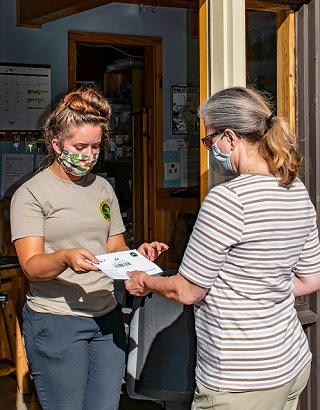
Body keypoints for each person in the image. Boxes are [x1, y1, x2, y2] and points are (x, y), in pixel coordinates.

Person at [125, 87, 320, 410]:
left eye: (208, 140)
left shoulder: (228, 199)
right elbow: (311, 280)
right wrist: (257, 287)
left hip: (239, 377)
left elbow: (188, 291)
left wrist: (144, 282)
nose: (209, 149)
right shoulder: (294, 188)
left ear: (229, 137)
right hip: (291, 361)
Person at [10, 87, 168, 410]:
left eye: (95, 146)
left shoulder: (103, 188)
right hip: (57, 321)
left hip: (106, 318)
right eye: (80, 146)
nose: (89, 154)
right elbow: (31, 265)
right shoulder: (30, 195)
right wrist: (65, 258)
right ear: (56, 145)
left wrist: (138, 257)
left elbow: (115, 247)